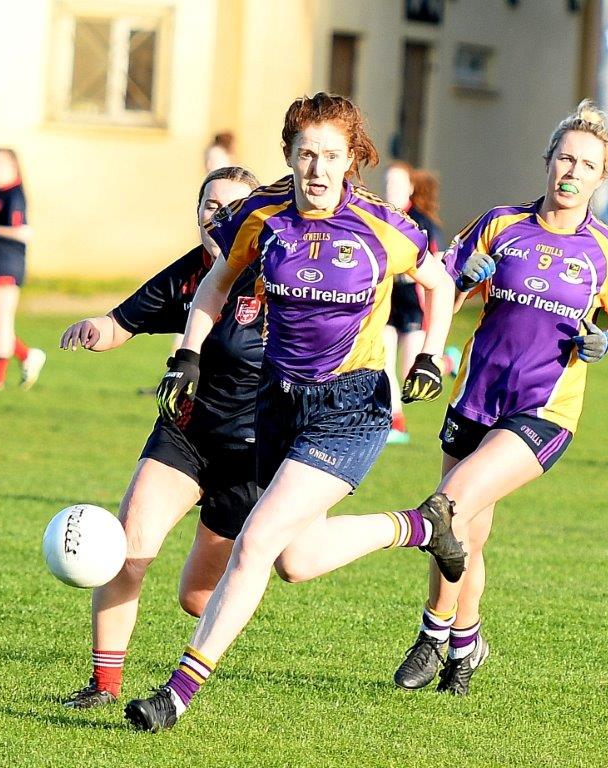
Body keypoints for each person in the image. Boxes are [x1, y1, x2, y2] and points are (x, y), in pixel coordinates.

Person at [124, 92, 462, 732]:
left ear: (351, 160)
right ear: (288, 154)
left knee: (253, 545)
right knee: (295, 560)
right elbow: (217, 283)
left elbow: (438, 282)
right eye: (306, 154)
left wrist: (428, 358)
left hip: (352, 406)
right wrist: (187, 355)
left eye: (331, 155)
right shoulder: (262, 215)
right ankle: (421, 526)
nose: (317, 168)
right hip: (277, 403)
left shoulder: (383, 226)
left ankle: (176, 694)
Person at [392, 99, 608, 696]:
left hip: (543, 412)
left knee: (445, 508)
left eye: (586, 164)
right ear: (548, 160)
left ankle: (432, 636)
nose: (572, 171)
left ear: (601, 176)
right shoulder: (500, 224)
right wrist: (464, 279)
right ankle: (465, 642)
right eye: (565, 158)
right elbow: (440, 293)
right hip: (475, 398)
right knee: (466, 535)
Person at [58, 166, 263, 709]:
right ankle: (104, 686)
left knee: (198, 598)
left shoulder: (280, 277)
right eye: (210, 206)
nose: (218, 216)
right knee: (129, 550)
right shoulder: (187, 275)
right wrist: (91, 330)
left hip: (251, 454)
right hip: (185, 435)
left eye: (233, 206)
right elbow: (121, 321)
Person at [383, 163, 459, 444]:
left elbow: (437, 270)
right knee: (383, 362)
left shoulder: (422, 222)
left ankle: (448, 362)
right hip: (387, 303)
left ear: (411, 188)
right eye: (387, 183)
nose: (391, 189)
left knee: (409, 372)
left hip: (414, 305)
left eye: (397, 184)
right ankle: (396, 423)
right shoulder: (379, 217)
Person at [0, 148, 45, 390]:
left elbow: (25, 232)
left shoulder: (15, 195)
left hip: (7, 265)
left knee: (3, 322)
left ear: (13, 166)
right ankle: (27, 355)